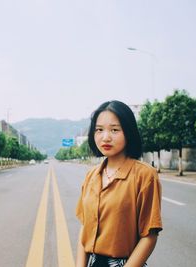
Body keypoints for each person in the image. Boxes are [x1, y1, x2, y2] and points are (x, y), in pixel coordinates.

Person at [75, 100, 163, 267]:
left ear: (128, 132)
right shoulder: (91, 176)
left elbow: (149, 236)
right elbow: (85, 228)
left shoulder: (144, 175)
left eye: (114, 130)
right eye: (99, 130)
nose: (105, 137)